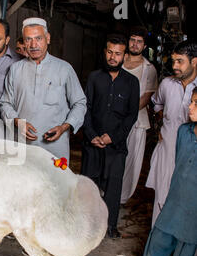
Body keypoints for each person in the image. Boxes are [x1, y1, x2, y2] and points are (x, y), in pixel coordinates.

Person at [123, 88, 197, 256]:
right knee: (161, 233)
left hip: (195, 205)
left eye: (195, 104)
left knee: (186, 246)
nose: (189, 107)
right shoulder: (184, 131)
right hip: (177, 195)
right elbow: (179, 161)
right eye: (191, 101)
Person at [0, 17, 86, 161]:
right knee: (22, 182)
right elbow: (5, 103)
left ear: (48, 38)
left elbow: (80, 103)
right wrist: (17, 121)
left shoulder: (64, 69)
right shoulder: (15, 69)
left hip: (54, 147)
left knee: (55, 182)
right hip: (23, 146)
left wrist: (64, 127)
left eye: (38, 38)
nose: (33, 45)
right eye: (28, 39)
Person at [81, 34, 140, 239]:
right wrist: (91, 135)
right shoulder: (95, 77)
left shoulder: (132, 82)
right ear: (104, 52)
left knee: (113, 187)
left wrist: (112, 138)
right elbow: (85, 108)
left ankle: (110, 226)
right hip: (92, 143)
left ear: (124, 56)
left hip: (116, 146)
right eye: (109, 52)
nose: (113, 57)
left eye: (117, 53)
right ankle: (87, 226)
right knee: (89, 186)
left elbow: (131, 115)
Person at [145, 40, 197, 227]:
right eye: (173, 61)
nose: (174, 66)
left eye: (180, 61)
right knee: (162, 197)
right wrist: (161, 124)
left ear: (194, 62)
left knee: (187, 200)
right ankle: (158, 244)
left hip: (191, 155)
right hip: (167, 150)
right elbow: (157, 104)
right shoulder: (167, 84)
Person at [120, 26, 158, 205]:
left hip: (136, 121)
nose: (135, 44)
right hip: (112, 118)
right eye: (132, 40)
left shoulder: (149, 69)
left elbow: (146, 97)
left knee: (131, 160)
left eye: (139, 42)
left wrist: (125, 114)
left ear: (144, 46)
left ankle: (122, 196)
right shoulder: (118, 59)